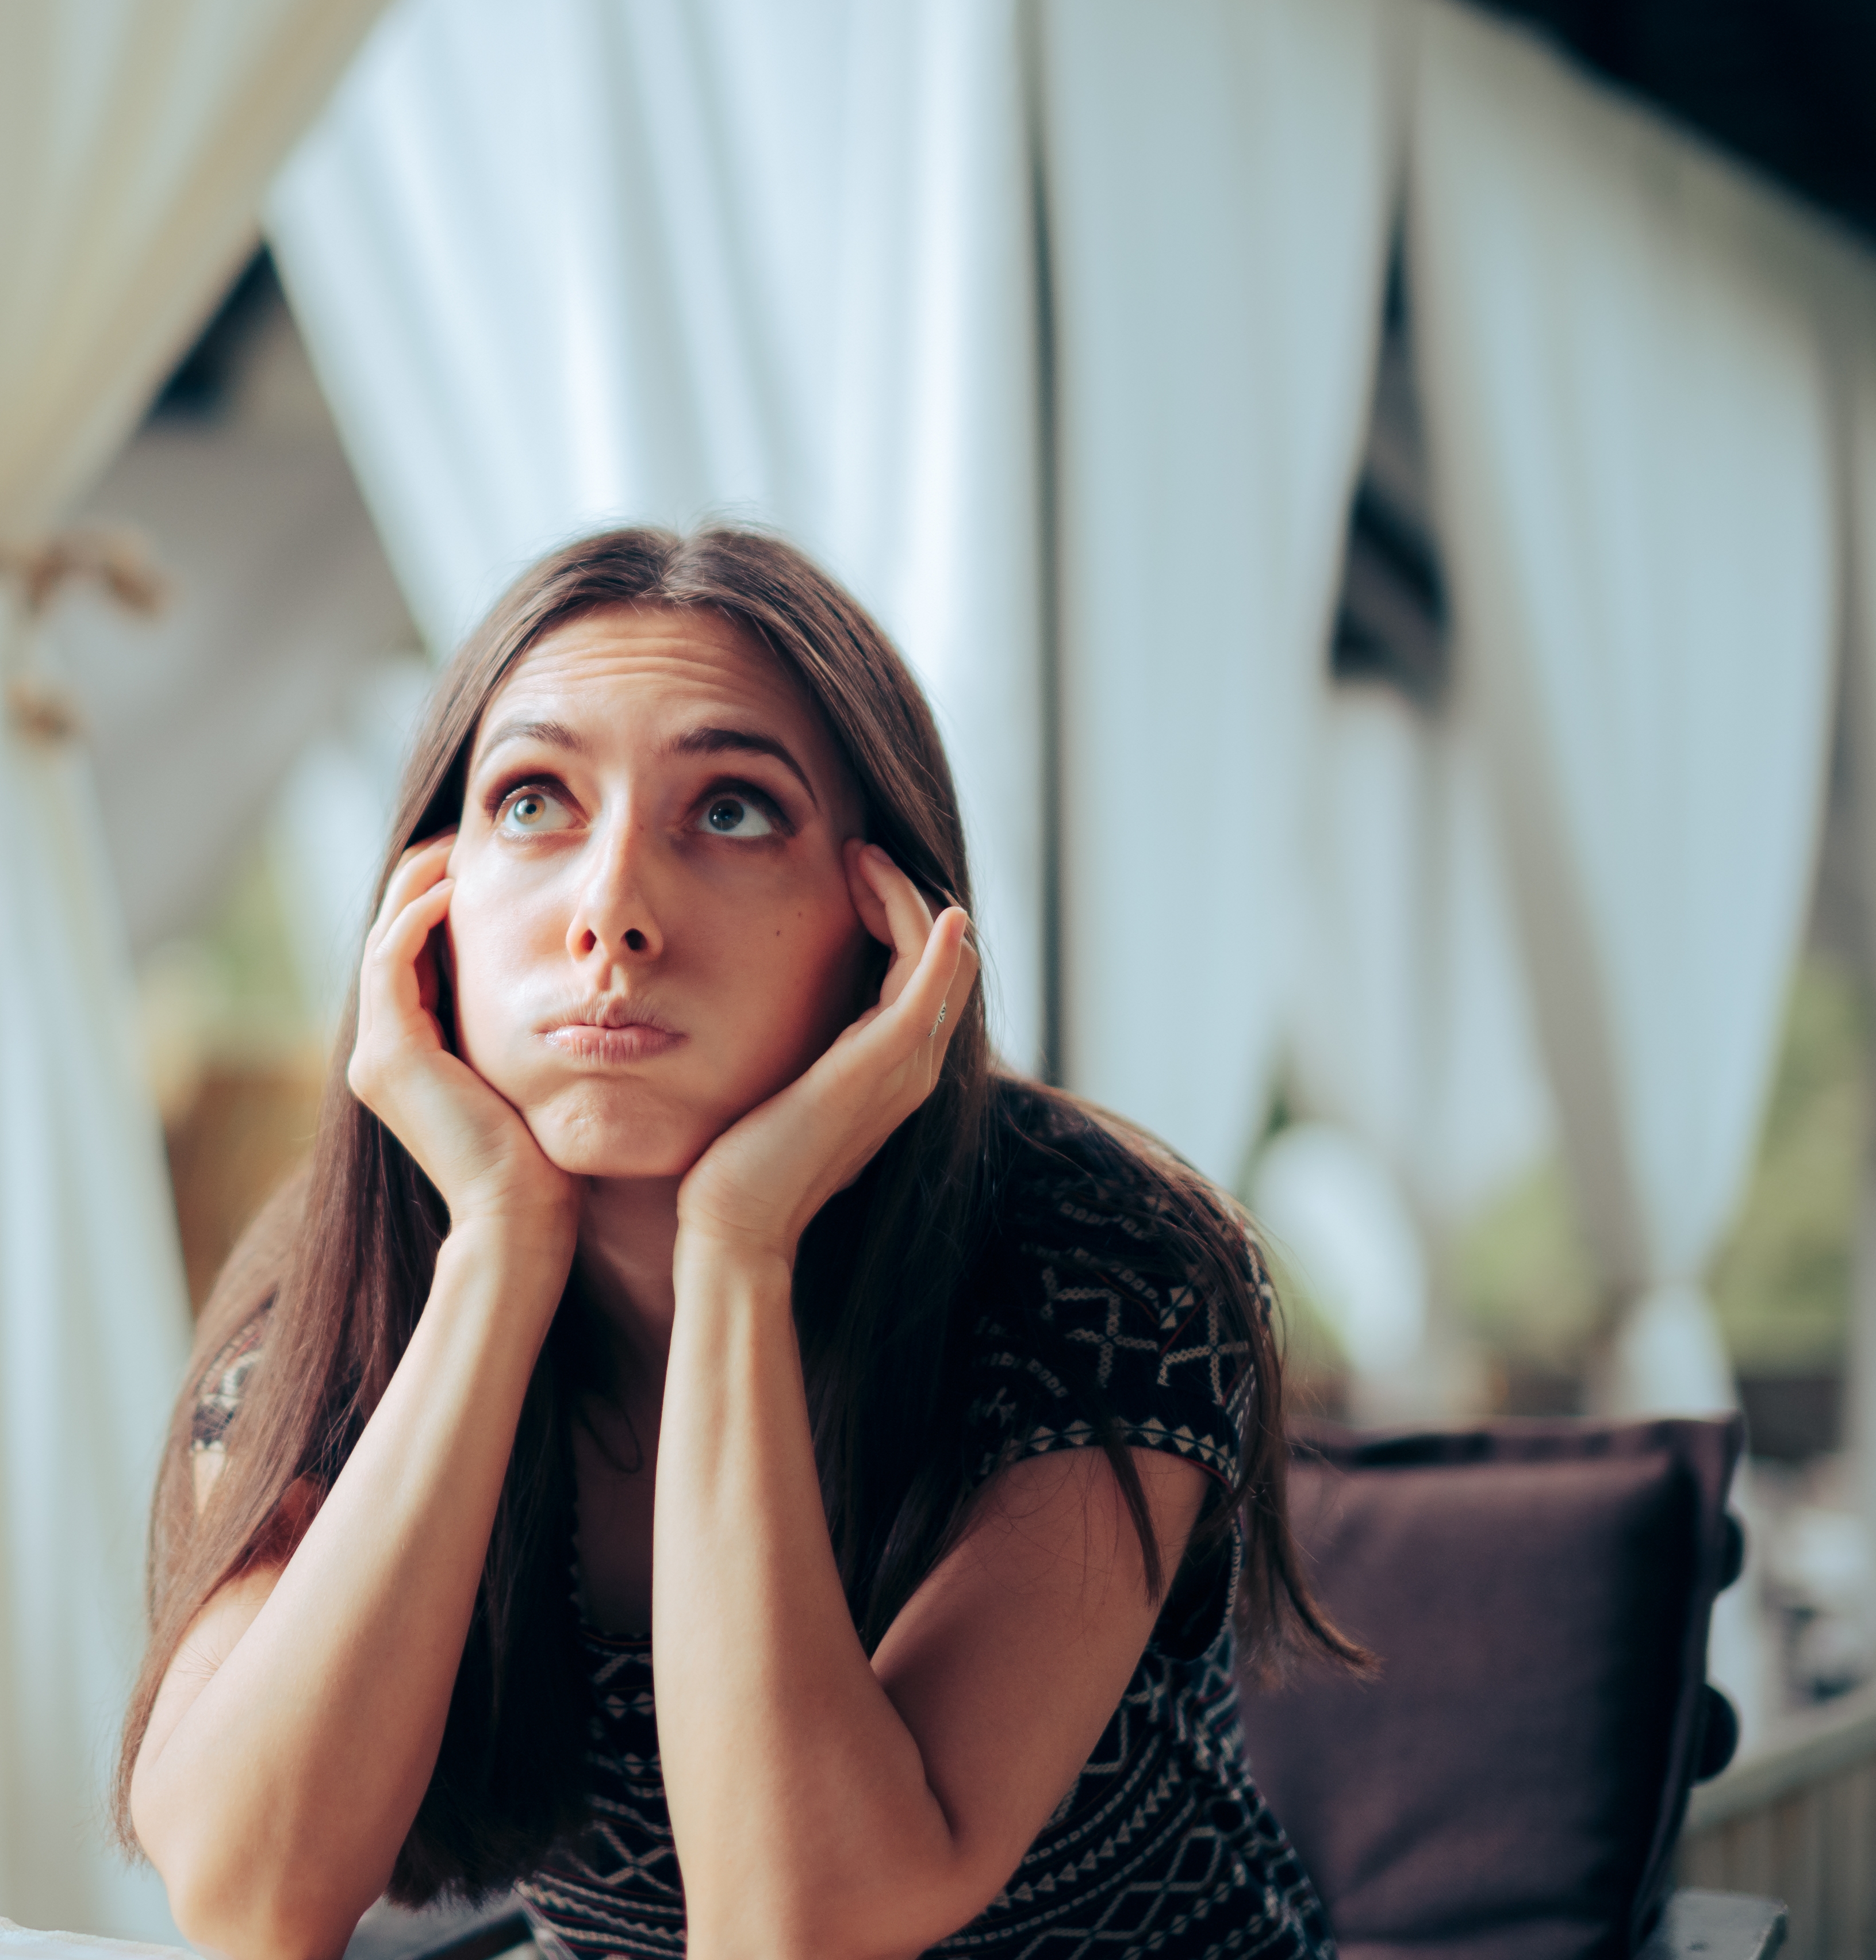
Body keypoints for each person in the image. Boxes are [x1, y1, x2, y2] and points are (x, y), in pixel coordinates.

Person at [118, 527, 1357, 1960]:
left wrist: (735, 1247)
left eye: (729, 812)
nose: (610, 913)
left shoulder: (1102, 1267)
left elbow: (799, 1931)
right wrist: (499, 1254)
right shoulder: (354, 1287)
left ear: (882, 921)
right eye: (534, 801)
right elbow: (249, 1898)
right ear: (427, 911)